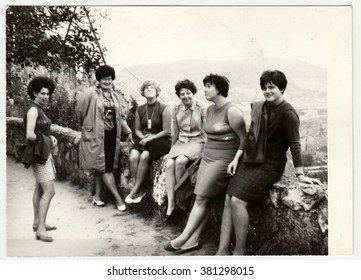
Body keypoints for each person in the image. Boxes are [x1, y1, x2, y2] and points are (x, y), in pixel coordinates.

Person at [216, 70, 322, 255]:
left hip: (271, 165)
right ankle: (222, 250)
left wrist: (300, 175)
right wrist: (236, 158)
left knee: (238, 201)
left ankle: (239, 253)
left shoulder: (288, 114)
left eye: (271, 87)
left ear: (282, 88)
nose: (267, 91)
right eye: (264, 88)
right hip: (252, 159)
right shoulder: (261, 108)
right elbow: (249, 136)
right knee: (228, 199)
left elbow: (295, 146)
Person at [165, 74, 246, 253]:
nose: (205, 90)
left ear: (219, 89)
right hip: (207, 157)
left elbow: (244, 139)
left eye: (208, 86)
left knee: (201, 197)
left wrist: (235, 160)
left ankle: (184, 237)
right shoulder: (209, 110)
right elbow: (206, 136)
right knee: (200, 196)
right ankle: (193, 239)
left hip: (223, 159)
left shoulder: (232, 111)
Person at [76, 65, 133, 212]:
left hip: (112, 136)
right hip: (95, 136)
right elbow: (80, 112)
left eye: (109, 79)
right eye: (104, 79)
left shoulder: (115, 96)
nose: (107, 82)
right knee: (105, 168)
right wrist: (86, 128)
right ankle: (118, 199)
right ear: (99, 80)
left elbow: (121, 118)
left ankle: (97, 196)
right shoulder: (90, 93)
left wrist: (128, 132)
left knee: (102, 167)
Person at [22, 76, 58, 242]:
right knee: (49, 191)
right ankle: (41, 229)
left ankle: (37, 222)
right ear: (35, 93)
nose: (46, 97)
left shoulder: (39, 109)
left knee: (39, 189)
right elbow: (30, 135)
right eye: (43, 93)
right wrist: (49, 141)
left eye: (48, 94)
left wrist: (51, 139)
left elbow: (40, 132)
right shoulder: (33, 110)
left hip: (42, 152)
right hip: (38, 154)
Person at [165, 79, 206, 219]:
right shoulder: (175, 109)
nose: (186, 96)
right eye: (182, 94)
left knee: (181, 161)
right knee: (170, 163)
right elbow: (175, 132)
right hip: (181, 142)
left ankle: (181, 203)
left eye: (188, 93)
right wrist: (171, 152)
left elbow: (206, 131)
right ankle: (171, 203)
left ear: (193, 93)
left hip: (197, 141)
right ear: (178, 95)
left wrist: (206, 150)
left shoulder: (202, 107)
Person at [126, 79, 171, 204]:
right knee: (133, 157)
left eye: (152, 88)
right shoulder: (140, 110)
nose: (149, 89)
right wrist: (143, 138)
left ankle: (135, 191)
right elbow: (138, 130)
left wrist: (151, 137)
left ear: (157, 92)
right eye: (146, 88)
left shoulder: (164, 108)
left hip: (161, 140)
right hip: (145, 140)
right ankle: (140, 190)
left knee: (145, 155)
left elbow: (167, 131)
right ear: (143, 92)